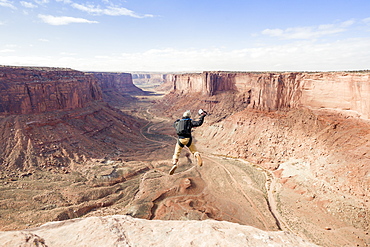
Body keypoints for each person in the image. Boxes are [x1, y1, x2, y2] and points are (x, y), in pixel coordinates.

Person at [169, 109, 207, 175]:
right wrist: (202, 116)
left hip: (180, 140)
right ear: (189, 116)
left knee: (176, 152)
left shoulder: (178, 122)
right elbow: (198, 123)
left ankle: (175, 163)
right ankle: (197, 155)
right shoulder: (190, 121)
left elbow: (174, 124)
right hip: (188, 139)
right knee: (194, 150)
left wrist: (177, 120)